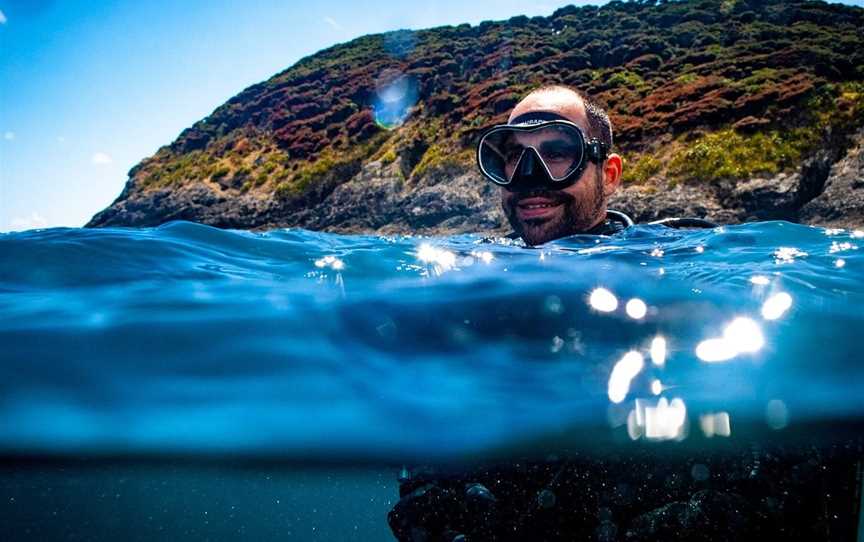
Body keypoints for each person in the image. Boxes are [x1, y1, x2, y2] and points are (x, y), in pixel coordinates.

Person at [476, 85, 714, 245]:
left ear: (609, 175)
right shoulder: (481, 260)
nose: (528, 176)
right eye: (516, 157)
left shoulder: (660, 261)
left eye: (557, 154)